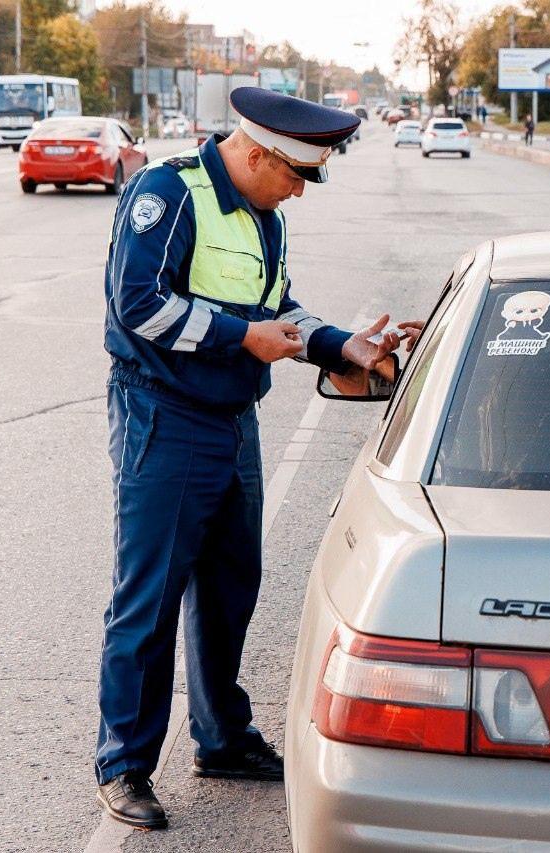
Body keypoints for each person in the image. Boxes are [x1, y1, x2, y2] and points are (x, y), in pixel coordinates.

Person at [94, 86, 416, 830]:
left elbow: (280, 307)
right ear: (258, 153)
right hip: (164, 417)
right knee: (149, 597)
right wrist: (240, 338)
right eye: (296, 174)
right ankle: (124, 762)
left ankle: (221, 737)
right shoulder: (167, 193)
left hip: (233, 420)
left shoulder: (263, 216)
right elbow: (136, 303)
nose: (301, 189)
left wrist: (344, 346)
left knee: (232, 584)